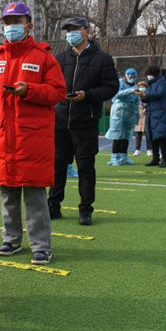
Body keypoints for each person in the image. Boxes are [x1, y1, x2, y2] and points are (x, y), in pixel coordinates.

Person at [0, 1, 66, 265]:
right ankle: (11, 240)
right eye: (8, 22)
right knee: (8, 193)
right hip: (2, 137)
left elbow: (58, 91)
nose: (12, 27)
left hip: (33, 138)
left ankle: (41, 246)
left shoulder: (44, 57)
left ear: (29, 25)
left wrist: (30, 91)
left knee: (35, 195)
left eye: (18, 21)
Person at [48, 17, 119, 225]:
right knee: (57, 165)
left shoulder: (102, 59)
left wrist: (87, 95)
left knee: (85, 167)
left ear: (86, 31)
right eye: (68, 30)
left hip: (85, 122)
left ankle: (85, 209)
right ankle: (53, 205)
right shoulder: (60, 58)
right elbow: (52, 85)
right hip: (60, 121)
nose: (70, 33)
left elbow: (111, 87)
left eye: (75, 29)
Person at [135, 65, 166, 168]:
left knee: (161, 137)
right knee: (153, 137)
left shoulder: (162, 82)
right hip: (151, 113)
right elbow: (149, 98)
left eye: (149, 75)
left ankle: (163, 160)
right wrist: (142, 97)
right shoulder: (151, 84)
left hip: (161, 113)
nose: (148, 77)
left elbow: (159, 94)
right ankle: (155, 158)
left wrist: (146, 95)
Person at [104, 68, 140, 166]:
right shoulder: (119, 83)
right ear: (126, 76)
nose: (132, 78)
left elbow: (137, 101)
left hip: (130, 113)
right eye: (130, 76)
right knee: (117, 135)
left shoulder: (136, 86)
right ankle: (115, 156)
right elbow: (116, 95)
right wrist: (130, 90)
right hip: (118, 112)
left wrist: (137, 115)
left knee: (127, 135)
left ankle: (123, 156)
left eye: (134, 77)